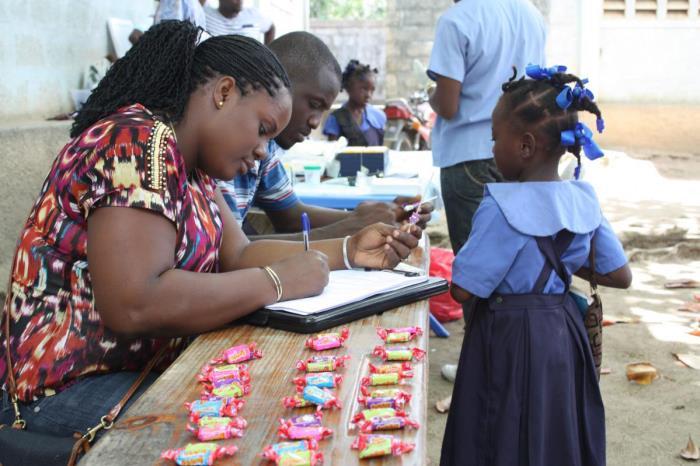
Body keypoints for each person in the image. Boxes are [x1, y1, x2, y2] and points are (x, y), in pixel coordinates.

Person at [0, 21, 420, 445]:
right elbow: (134, 304)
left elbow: (237, 255)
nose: (261, 154)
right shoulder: (135, 142)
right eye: (262, 130)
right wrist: (276, 283)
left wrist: (348, 251)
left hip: (141, 369)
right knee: (251, 427)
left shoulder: (193, 167)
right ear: (223, 93)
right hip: (68, 387)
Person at [439, 68, 632, 465]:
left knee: (500, 425)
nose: (492, 149)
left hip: (507, 336)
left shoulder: (498, 205)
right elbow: (619, 275)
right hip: (563, 331)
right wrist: (562, 256)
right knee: (556, 423)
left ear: (525, 146)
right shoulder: (583, 200)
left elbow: (464, 288)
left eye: (496, 139)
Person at [427, 0, 546, 396]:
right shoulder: (531, 15)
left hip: (468, 155)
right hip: (523, 153)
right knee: (522, 260)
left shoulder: (459, 20)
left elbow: (447, 103)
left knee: (476, 271)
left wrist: (431, 96)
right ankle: (518, 361)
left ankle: (482, 363)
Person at [220, 33, 433, 240]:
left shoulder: (266, 150)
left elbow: (290, 215)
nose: (315, 122)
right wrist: (351, 228)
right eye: (314, 105)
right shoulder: (220, 155)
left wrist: (369, 219)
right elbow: (233, 254)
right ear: (277, 84)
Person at [323, 59, 386, 147]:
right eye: (364, 89)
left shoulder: (378, 116)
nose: (368, 95)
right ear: (348, 88)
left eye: (372, 90)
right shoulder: (337, 118)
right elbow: (332, 151)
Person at [204, 0, 275, 44]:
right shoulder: (205, 14)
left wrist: (268, 53)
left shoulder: (253, 15)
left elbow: (271, 28)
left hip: (249, 65)